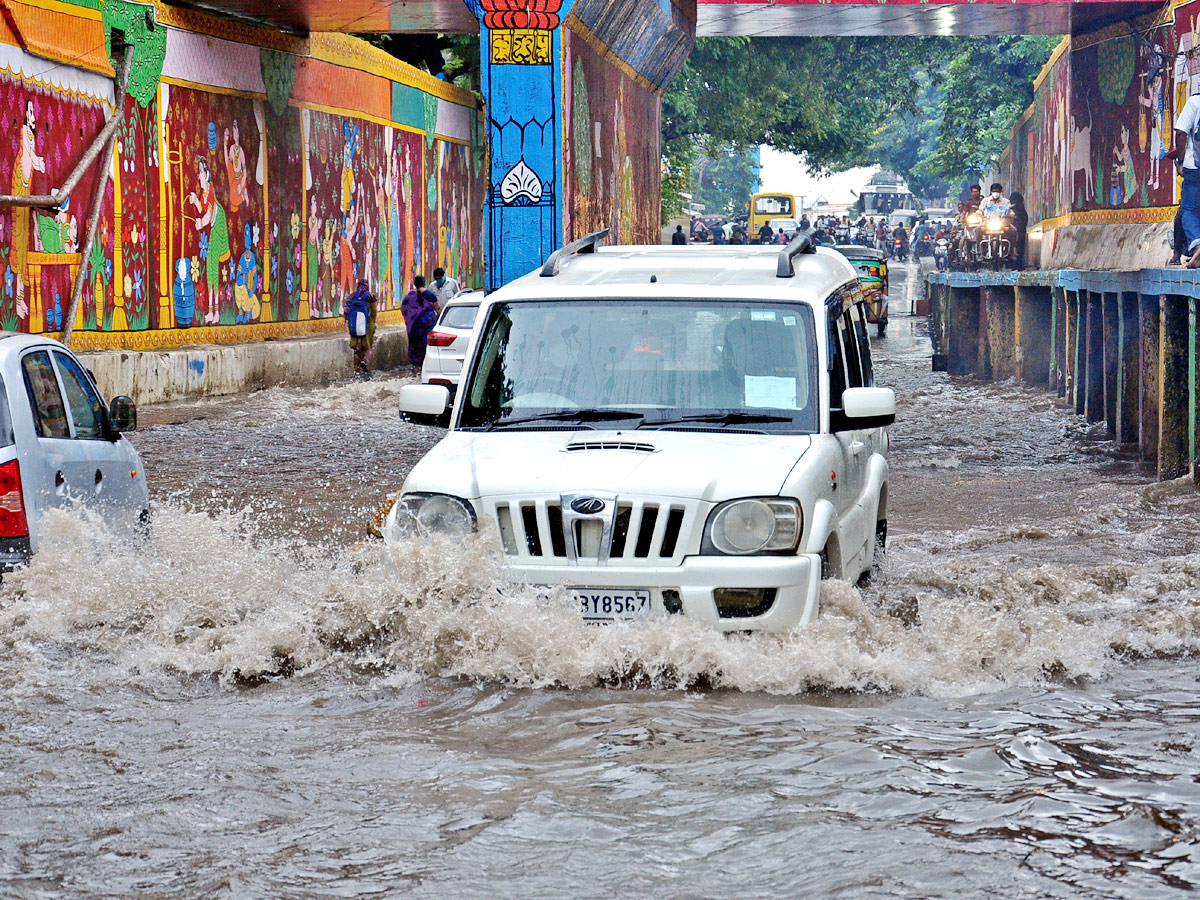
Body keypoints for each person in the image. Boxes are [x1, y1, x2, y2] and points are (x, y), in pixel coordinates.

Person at [1168, 89, 1200, 267]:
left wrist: (1180, 161)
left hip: (1195, 168)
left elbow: (1181, 132)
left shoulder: (1195, 103)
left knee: (1186, 211)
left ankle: (1195, 247)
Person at [401, 275, 440, 368]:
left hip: (414, 327)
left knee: (415, 347)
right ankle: (427, 366)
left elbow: (403, 309)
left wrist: (409, 320)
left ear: (414, 284)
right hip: (428, 327)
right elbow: (438, 309)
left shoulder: (409, 296)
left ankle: (416, 367)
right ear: (424, 283)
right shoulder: (430, 294)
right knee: (427, 346)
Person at [344, 277, 377, 377]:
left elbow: (346, 312)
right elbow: (374, 314)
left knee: (357, 350)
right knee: (367, 347)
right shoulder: (370, 297)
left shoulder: (352, 296)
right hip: (367, 327)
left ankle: (357, 371)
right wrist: (373, 325)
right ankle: (364, 363)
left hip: (354, 327)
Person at [1009, 191, 1029, 269]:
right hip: (1021, 234)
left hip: (1013, 234)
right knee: (1020, 249)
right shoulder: (1022, 210)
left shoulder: (1012, 210)